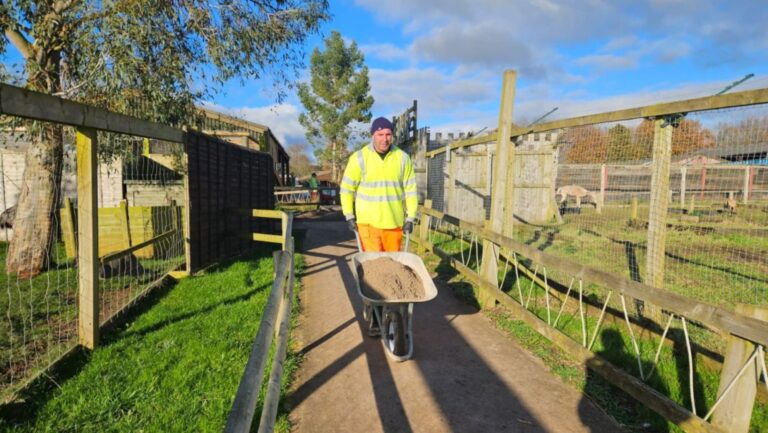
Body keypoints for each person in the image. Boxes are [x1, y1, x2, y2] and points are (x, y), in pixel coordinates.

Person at [340, 117, 417, 251]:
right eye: (380, 135)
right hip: (368, 224)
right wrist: (349, 215)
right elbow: (346, 189)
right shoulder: (359, 158)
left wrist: (411, 218)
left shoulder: (403, 158)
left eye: (388, 134)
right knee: (373, 267)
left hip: (393, 223)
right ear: (372, 135)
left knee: (393, 267)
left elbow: (411, 191)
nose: (384, 139)